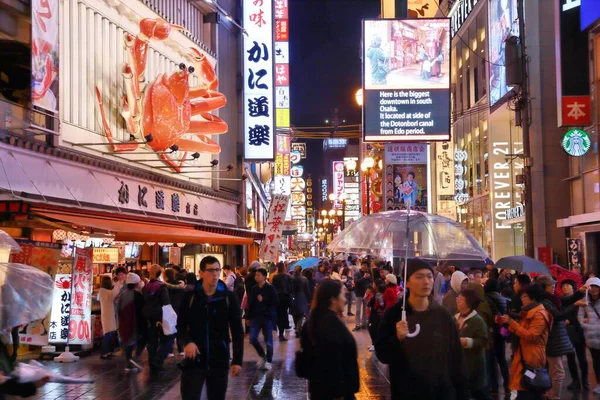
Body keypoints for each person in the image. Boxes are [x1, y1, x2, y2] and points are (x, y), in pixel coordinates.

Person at [376, 258, 469, 399]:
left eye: (429, 276)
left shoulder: (442, 315)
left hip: (441, 392)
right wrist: (397, 338)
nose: (426, 281)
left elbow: (456, 358)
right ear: (407, 282)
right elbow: (382, 354)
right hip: (407, 392)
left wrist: (462, 394)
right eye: (419, 277)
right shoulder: (394, 315)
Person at [177, 255, 244, 400]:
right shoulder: (190, 297)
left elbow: (237, 330)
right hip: (194, 359)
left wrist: (237, 360)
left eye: (218, 270)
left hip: (219, 358)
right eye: (211, 270)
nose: (215, 274)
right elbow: (180, 325)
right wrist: (188, 341)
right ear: (201, 273)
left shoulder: (228, 297)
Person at [299, 280, 359, 400]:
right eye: (342, 295)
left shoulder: (313, 321)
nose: (345, 299)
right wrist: (337, 394)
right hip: (336, 393)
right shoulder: (331, 325)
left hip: (319, 389)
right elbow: (333, 362)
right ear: (333, 299)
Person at [501, 284, 552, 400]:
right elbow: (521, 330)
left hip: (532, 358)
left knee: (531, 387)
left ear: (533, 298)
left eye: (524, 296)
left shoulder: (539, 314)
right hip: (525, 356)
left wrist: (512, 323)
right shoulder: (528, 312)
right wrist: (507, 323)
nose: (521, 299)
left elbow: (531, 335)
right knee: (525, 387)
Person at [535, 275, 574, 400]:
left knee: (553, 370)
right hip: (553, 340)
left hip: (556, 339)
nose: (553, 287)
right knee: (558, 372)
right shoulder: (545, 301)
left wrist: (579, 293)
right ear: (543, 288)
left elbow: (566, 300)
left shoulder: (552, 299)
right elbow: (558, 315)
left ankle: (551, 393)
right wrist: (575, 305)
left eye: (553, 285)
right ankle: (554, 396)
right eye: (550, 285)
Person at [455, 288, 489, 400]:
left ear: (468, 302)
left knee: (478, 393)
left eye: (460, 298)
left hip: (474, 366)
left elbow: (483, 341)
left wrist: (466, 341)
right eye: (458, 297)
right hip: (460, 366)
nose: (457, 300)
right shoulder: (455, 318)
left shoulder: (477, 320)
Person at [142, 264, 172, 371]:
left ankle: (151, 360)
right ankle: (158, 360)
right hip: (159, 315)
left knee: (152, 338)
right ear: (159, 273)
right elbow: (166, 302)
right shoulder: (161, 286)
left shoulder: (145, 287)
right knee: (167, 338)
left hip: (148, 315)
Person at [560, 279, 589, 390]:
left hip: (578, 330)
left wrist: (571, 320)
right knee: (570, 358)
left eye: (568, 286)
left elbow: (584, 315)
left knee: (582, 357)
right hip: (566, 332)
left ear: (573, 288)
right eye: (563, 286)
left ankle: (585, 380)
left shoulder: (581, 300)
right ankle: (575, 380)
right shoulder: (561, 301)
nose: (565, 287)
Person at [248, 268, 278, 370]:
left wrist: (264, 300)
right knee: (252, 338)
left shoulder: (270, 288)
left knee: (268, 342)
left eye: (258, 275)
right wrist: (248, 317)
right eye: (256, 275)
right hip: (256, 318)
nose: (256, 277)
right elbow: (251, 303)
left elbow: (275, 302)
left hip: (267, 318)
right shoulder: (254, 289)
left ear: (264, 277)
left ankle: (269, 361)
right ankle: (263, 355)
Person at [483, 279, 510, 394]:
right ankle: (507, 386)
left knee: (492, 360)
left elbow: (491, 315)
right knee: (502, 359)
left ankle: (494, 387)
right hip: (502, 330)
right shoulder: (501, 297)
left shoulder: (487, 298)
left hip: (493, 331)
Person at [117, 273, 145, 372]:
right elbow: (142, 311)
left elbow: (118, 308)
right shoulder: (138, 295)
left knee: (128, 342)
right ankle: (133, 360)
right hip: (135, 322)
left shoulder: (123, 294)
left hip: (123, 322)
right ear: (137, 283)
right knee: (141, 339)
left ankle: (128, 363)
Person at [578, 277, 600, 394]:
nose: (594, 289)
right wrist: (585, 325)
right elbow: (580, 316)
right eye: (592, 287)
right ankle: (599, 384)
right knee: (596, 362)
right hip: (591, 337)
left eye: (596, 286)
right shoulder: (584, 301)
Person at [98, 276, 118, 360]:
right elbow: (114, 294)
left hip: (107, 314)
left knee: (110, 333)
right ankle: (104, 353)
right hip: (108, 315)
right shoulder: (104, 291)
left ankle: (109, 351)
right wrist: (118, 284)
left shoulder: (102, 291)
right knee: (108, 334)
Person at [271, 262, 292, 341]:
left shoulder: (275, 277)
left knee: (278, 314)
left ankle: (277, 328)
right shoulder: (287, 277)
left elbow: (273, 288)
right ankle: (281, 334)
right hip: (285, 297)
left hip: (277, 297)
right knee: (283, 314)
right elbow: (290, 288)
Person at [291, 265, 310, 338]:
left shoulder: (291, 278)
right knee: (301, 313)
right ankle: (298, 328)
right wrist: (309, 299)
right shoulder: (304, 279)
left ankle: (296, 326)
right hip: (302, 297)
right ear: (301, 270)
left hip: (293, 297)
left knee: (294, 313)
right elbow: (307, 290)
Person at [353, 261, 372, 331]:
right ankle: (357, 324)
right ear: (361, 265)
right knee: (358, 310)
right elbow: (356, 282)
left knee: (365, 309)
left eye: (366, 265)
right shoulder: (357, 273)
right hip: (359, 294)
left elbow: (371, 283)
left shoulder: (369, 274)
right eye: (363, 265)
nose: (364, 266)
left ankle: (364, 323)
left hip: (366, 294)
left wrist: (369, 280)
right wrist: (364, 277)